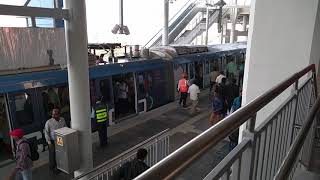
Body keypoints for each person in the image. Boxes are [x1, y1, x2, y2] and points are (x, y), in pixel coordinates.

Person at [44, 108, 66, 174]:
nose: (53, 116)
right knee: (52, 155)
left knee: (60, 153)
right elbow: (46, 132)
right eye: (52, 114)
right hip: (52, 141)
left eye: (55, 114)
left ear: (59, 114)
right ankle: (52, 168)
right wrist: (49, 142)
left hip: (61, 139)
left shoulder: (62, 120)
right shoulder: (49, 122)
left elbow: (65, 127)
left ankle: (59, 166)